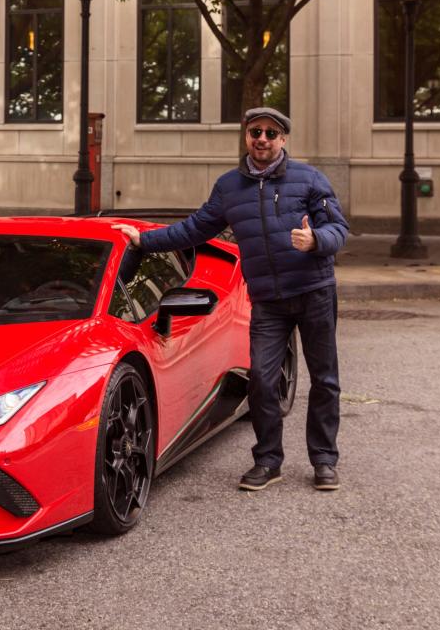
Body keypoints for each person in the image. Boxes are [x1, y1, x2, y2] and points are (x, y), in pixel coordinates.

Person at [112, 107, 349, 492]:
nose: (262, 139)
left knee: (324, 379)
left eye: (271, 133)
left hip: (314, 292)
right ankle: (268, 461)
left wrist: (316, 241)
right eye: (255, 131)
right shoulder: (228, 187)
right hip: (268, 301)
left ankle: (324, 460)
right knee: (262, 382)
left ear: (283, 140)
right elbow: (194, 228)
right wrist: (144, 240)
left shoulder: (309, 179)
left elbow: (338, 228)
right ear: (246, 136)